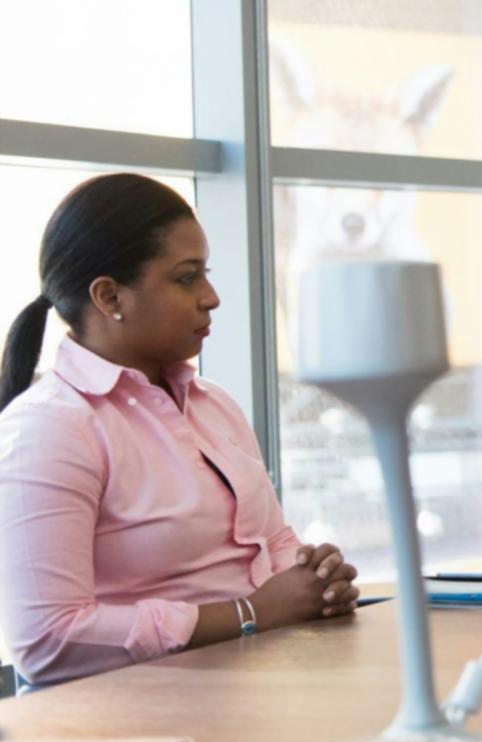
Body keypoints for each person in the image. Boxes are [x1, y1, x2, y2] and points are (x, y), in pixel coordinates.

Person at [0, 174, 359, 687]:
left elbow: (271, 538)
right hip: (137, 719)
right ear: (108, 296)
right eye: (186, 278)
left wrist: (312, 580)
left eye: (205, 275)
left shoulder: (214, 405)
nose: (211, 298)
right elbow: (48, 641)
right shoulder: (50, 429)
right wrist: (250, 613)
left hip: (256, 687)